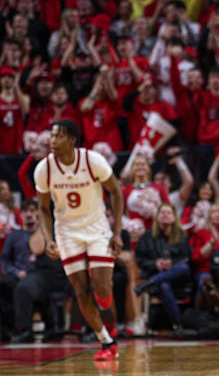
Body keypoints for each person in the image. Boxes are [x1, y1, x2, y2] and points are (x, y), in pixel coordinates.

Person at [32, 120, 125, 361]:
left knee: (102, 289)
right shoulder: (44, 169)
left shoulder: (92, 161)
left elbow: (115, 191)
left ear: (72, 140)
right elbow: (43, 208)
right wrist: (48, 237)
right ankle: (106, 341)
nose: (52, 141)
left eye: (58, 136)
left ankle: (109, 320)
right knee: (81, 290)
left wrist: (116, 232)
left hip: (97, 228)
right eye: (51, 136)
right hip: (67, 232)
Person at [133, 203, 192, 332]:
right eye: (162, 213)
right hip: (157, 274)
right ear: (157, 217)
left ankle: (147, 285)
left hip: (179, 277)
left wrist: (172, 264)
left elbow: (187, 257)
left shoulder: (182, 235)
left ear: (174, 217)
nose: (165, 215)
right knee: (164, 285)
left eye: (168, 213)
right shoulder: (147, 237)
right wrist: (155, 264)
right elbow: (140, 260)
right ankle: (177, 325)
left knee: (183, 268)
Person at [0, 200, 38, 340]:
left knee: (27, 286)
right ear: (20, 214)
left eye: (32, 211)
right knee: (4, 284)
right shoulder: (14, 236)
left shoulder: (43, 235)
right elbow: (4, 259)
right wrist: (16, 272)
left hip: (37, 276)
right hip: (17, 275)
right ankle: (9, 329)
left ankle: (26, 329)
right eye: (26, 211)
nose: (29, 214)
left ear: (38, 213)